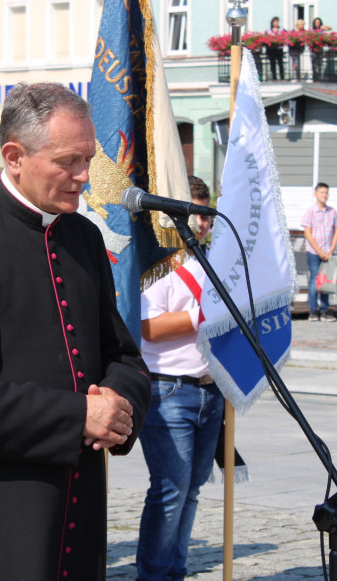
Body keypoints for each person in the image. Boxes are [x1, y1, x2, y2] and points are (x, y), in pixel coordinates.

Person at [0, 82, 150, 581]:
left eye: (88, 158)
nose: (84, 176)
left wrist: (119, 408)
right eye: (68, 162)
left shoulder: (82, 236)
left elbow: (122, 356)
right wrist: (79, 415)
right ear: (14, 156)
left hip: (73, 508)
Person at [136, 175, 224, 581]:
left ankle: (176, 572)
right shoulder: (157, 264)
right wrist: (204, 317)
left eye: (204, 213)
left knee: (191, 491)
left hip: (209, 389)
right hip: (168, 387)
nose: (200, 222)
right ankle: (153, 576)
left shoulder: (213, 259)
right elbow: (147, 327)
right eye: (192, 211)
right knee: (170, 492)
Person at [301, 182, 337, 322]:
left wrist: (330, 249)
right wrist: (319, 250)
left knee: (327, 280)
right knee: (314, 280)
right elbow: (307, 232)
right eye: (322, 192)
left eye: (326, 192)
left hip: (328, 251)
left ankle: (324, 309)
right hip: (314, 251)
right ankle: (313, 310)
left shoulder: (332, 212)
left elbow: (336, 231)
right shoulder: (310, 211)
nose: (324, 195)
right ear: (316, 194)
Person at [265, 16, 285, 81]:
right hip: (271, 50)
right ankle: (274, 77)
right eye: (275, 22)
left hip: (279, 49)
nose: (276, 23)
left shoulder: (281, 30)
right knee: (272, 64)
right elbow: (265, 39)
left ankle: (282, 77)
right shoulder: (268, 31)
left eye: (277, 22)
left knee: (280, 63)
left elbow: (285, 37)